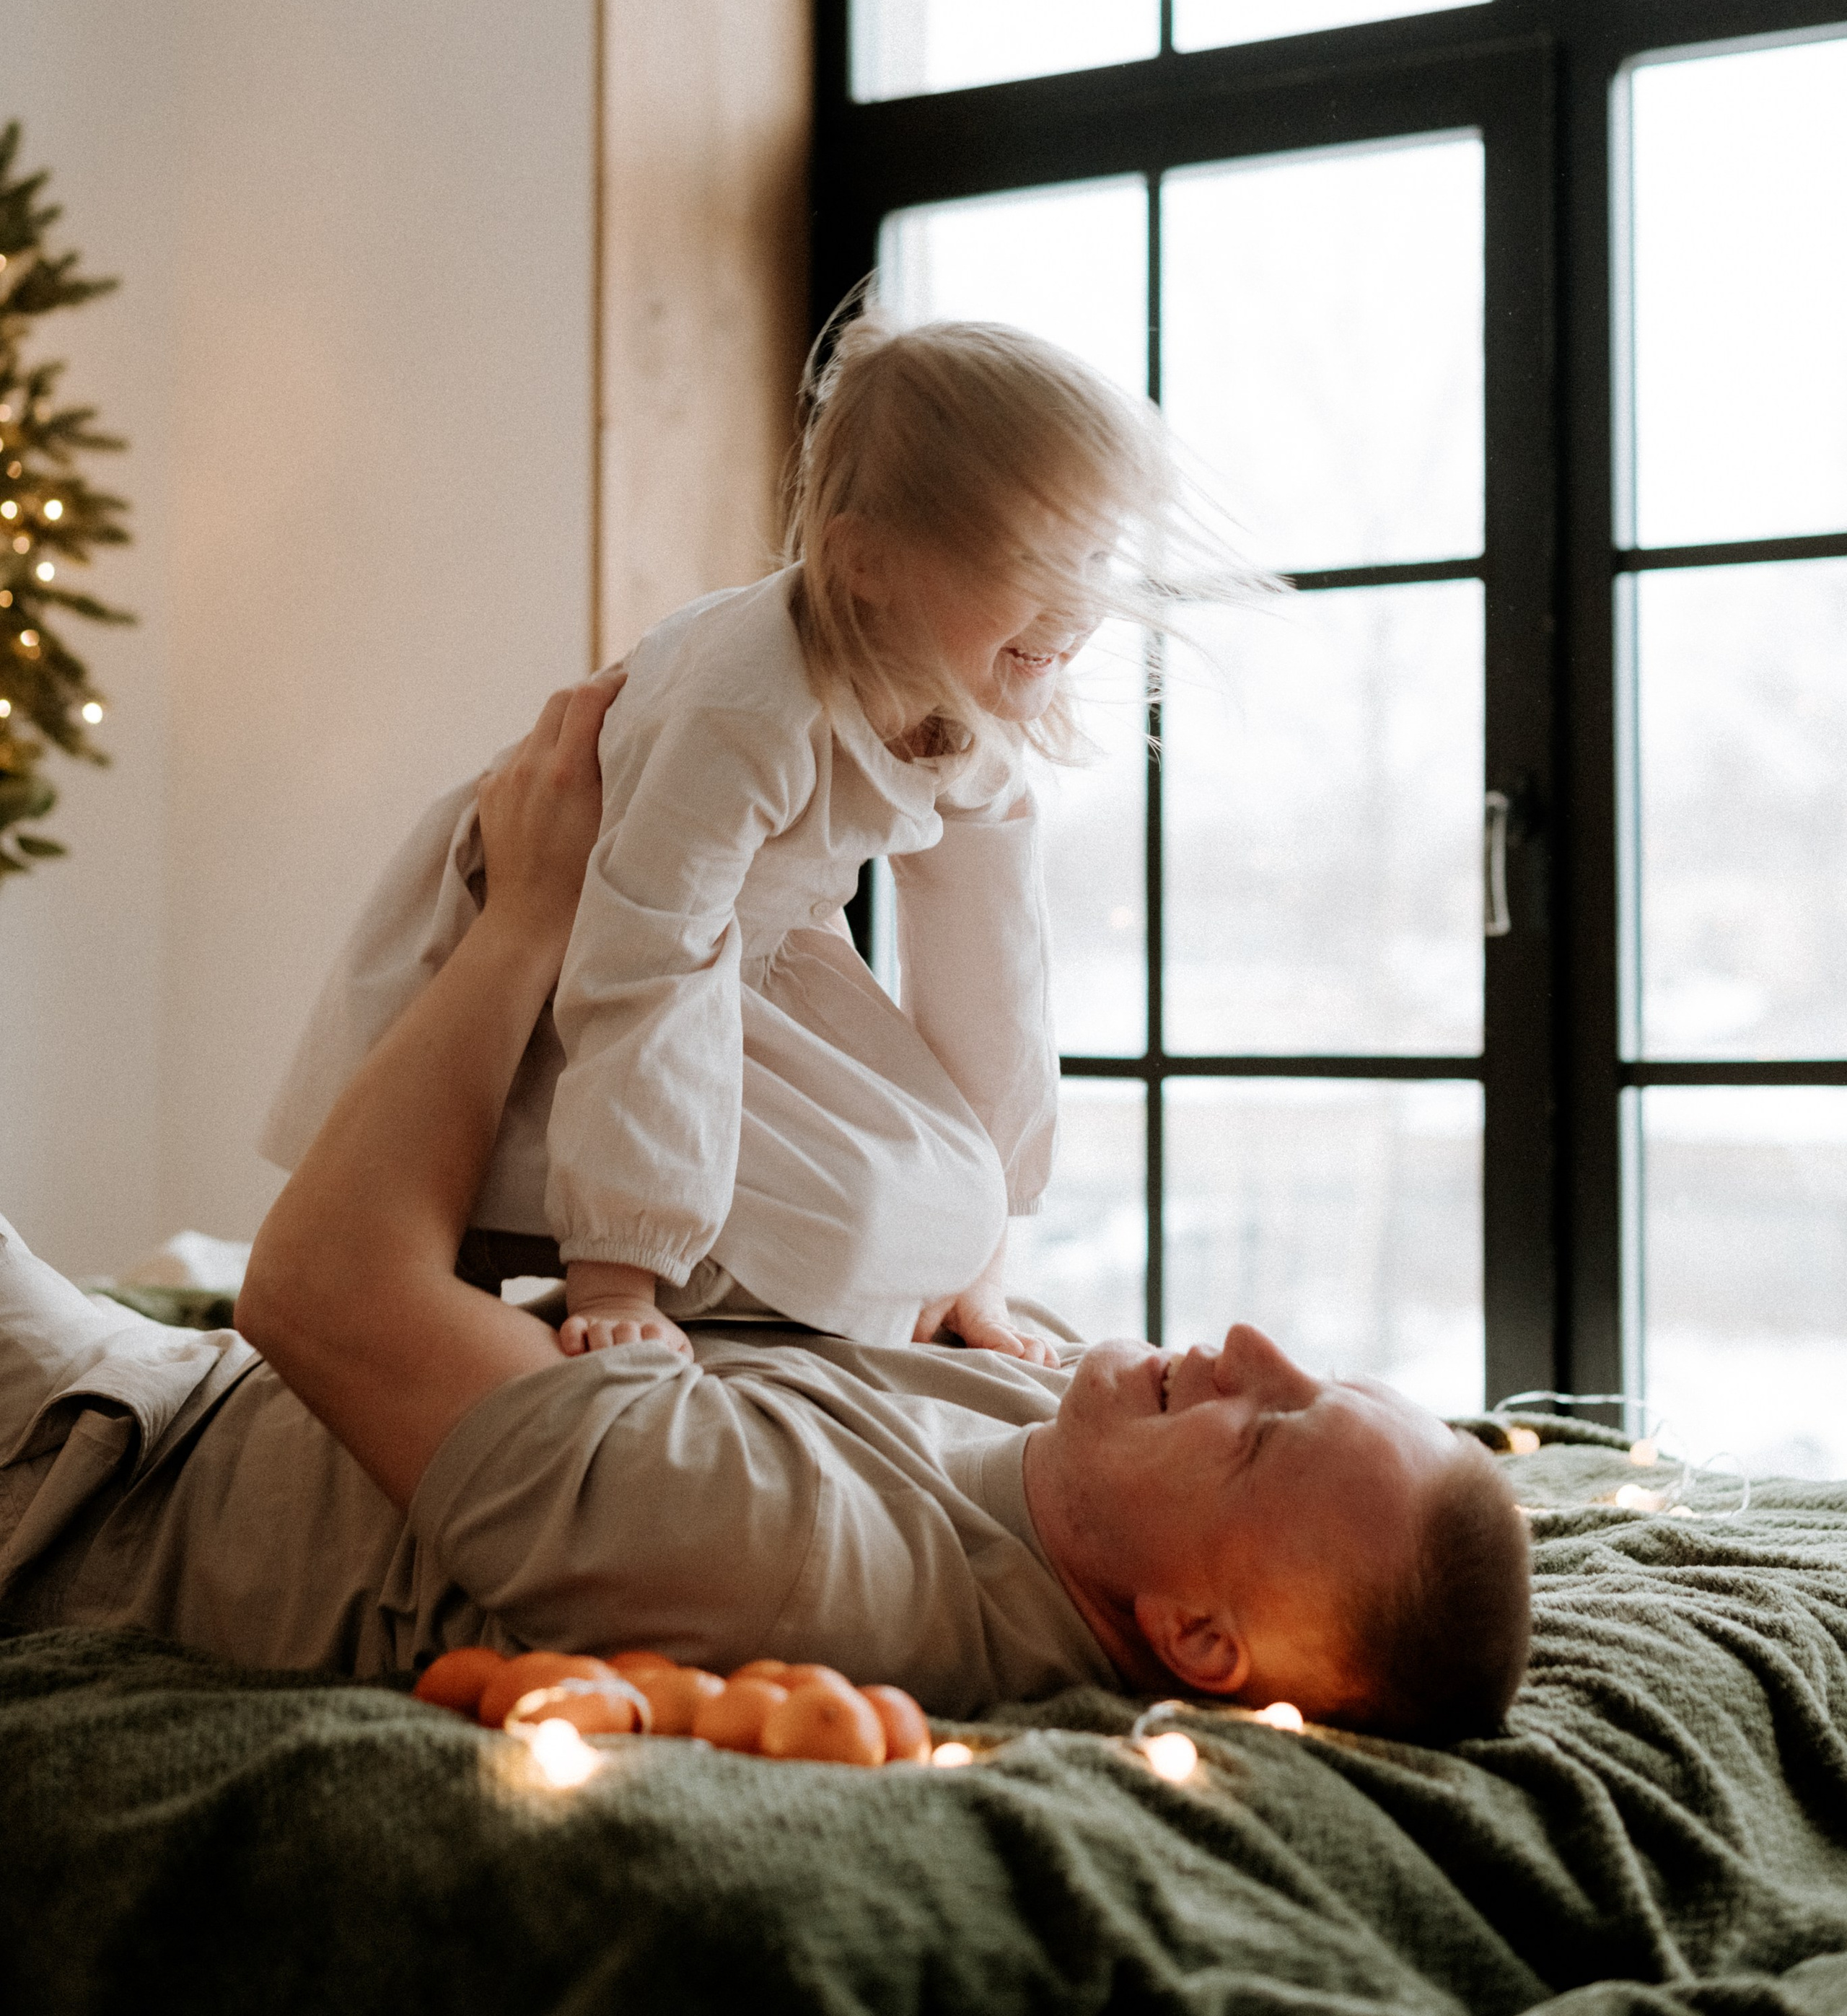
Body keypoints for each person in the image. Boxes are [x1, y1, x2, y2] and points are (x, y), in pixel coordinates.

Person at [0, 679, 1530, 1737]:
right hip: (164, 1384)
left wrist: (533, 915)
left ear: (1200, 1641)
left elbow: (320, 1290)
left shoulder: (809, 1565)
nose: (1252, 1344)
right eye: (1305, 1374)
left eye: (1267, 1429)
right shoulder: (1061, 1447)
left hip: (88, 1469)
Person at [263, 311, 1245, 1369]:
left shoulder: (964, 709)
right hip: (579, 912)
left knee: (937, 1202)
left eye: (1097, 556)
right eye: (1038, 559)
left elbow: (996, 974)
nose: (1081, 605)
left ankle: (787, 1255)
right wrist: (619, 1269)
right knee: (530, 1202)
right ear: (866, 562)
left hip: (741, 945)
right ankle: (583, 1250)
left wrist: (986, 1250)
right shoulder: (751, 706)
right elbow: (646, 952)